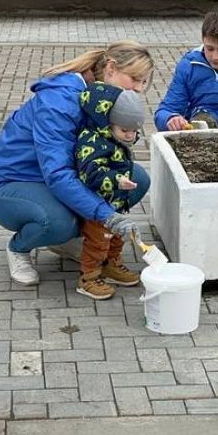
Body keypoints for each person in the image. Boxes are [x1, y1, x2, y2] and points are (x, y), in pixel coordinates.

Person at [0, 42, 154, 285]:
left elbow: (100, 155)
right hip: (12, 183)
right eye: (135, 79)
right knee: (58, 221)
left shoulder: (103, 96)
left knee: (136, 179)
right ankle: (19, 248)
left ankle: (68, 241)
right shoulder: (59, 101)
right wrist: (106, 215)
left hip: (54, 178)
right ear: (112, 68)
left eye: (144, 82)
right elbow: (58, 173)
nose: (138, 89)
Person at [73, 83, 146, 300]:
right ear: (108, 123)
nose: (130, 136)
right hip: (97, 204)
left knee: (116, 237)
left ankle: (111, 265)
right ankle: (88, 277)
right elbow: (90, 174)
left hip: (115, 202)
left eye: (134, 131)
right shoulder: (93, 141)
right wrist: (116, 180)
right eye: (125, 131)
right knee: (98, 241)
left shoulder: (114, 138)